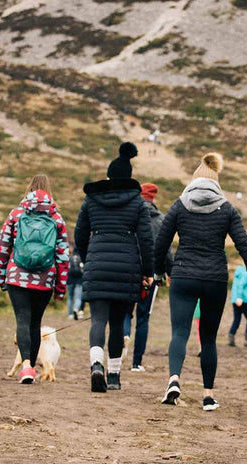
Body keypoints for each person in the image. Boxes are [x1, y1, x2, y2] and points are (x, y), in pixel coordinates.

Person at [154, 153, 247, 411]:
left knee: (179, 332)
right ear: (216, 181)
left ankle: (174, 380)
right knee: (209, 338)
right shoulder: (226, 208)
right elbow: (244, 245)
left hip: (183, 275)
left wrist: (160, 271)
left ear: (193, 180)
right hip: (214, 278)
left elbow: (161, 243)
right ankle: (208, 395)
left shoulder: (180, 205)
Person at [75, 142, 154, 392]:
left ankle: (96, 365)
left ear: (109, 176)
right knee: (119, 323)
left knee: (98, 319)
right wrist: (147, 272)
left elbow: (79, 233)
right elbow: (146, 239)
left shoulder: (91, 200)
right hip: (127, 267)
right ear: (130, 178)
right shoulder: (138, 203)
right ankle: (114, 376)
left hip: (97, 263)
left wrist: (90, 257)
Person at [0, 175, 70, 383]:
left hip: (17, 277)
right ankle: (30, 369)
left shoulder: (16, 214)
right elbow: (63, 255)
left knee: (22, 319)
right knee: (35, 323)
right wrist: (61, 288)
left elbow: (2, 247)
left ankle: (27, 367)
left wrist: (2, 276)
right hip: (45, 279)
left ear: (28, 190)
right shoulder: (56, 218)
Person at [123, 182, 173, 372]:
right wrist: (170, 272)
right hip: (151, 274)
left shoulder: (130, 214)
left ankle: (123, 340)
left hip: (129, 269)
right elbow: (166, 249)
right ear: (153, 197)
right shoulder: (161, 219)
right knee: (144, 317)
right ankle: (136, 363)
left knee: (126, 312)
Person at [228, 263, 247, 347]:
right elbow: (241, 285)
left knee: (237, 319)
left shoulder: (238, 272)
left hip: (235, 299)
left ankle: (231, 339)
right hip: (243, 300)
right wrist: (240, 297)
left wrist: (236, 298)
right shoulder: (246, 273)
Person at [66, 245, 84, 320]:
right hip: (79, 281)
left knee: (70, 298)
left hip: (69, 280)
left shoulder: (69, 258)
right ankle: (76, 309)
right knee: (78, 297)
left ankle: (70, 314)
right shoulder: (81, 258)